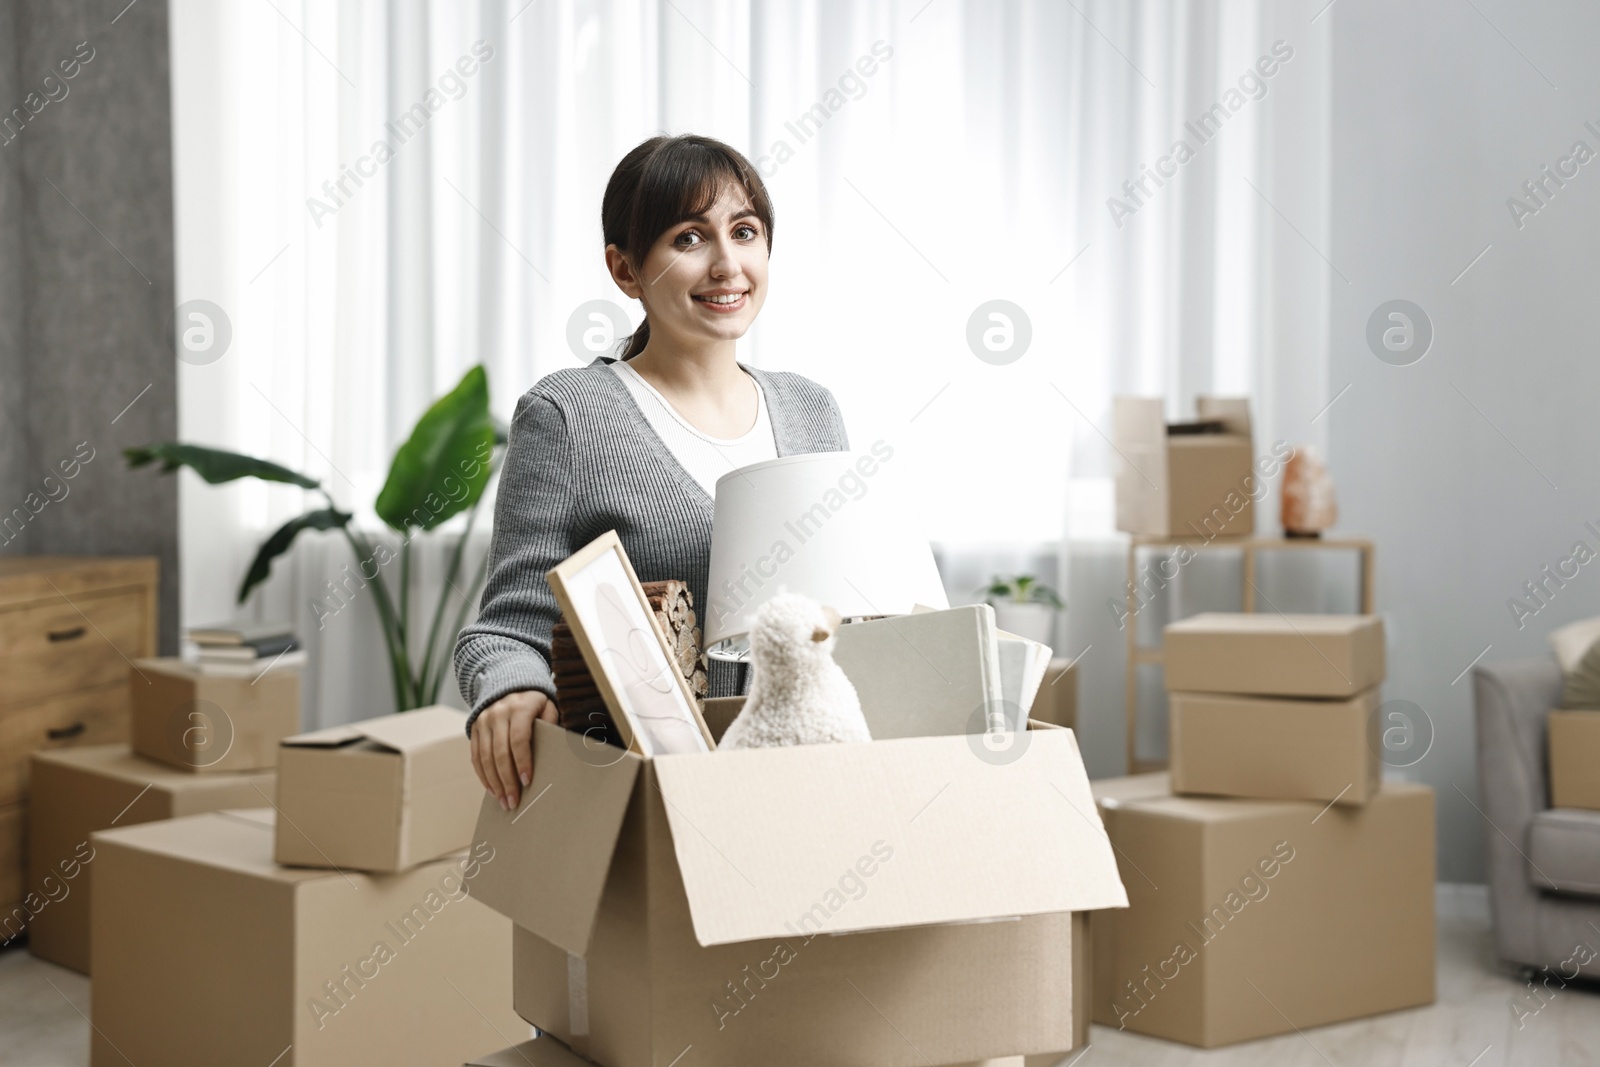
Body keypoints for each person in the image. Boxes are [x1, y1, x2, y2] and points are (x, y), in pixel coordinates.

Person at [454, 134, 850, 810]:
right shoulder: (569, 415)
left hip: (818, 786)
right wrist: (513, 688)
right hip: (658, 803)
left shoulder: (812, 409)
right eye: (689, 239)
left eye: (745, 231)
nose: (728, 264)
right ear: (626, 270)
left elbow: (855, 608)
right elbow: (506, 630)